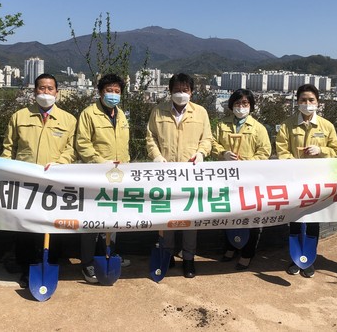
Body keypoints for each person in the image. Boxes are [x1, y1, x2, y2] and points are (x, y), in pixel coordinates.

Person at [1, 73, 77, 288]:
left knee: (54, 225)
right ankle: (26, 267)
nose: (46, 92)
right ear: (34, 91)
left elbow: (71, 149)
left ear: (57, 93)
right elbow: (9, 148)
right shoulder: (19, 117)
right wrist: (5, 171)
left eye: (50, 88)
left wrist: (59, 164)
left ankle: (51, 262)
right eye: (41, 88)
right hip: (25, 181)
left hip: (55, 181)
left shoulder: (68, 119)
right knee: (25, 226)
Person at [146, 73, 212, 278]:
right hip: (165, 174)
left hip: (191, 175)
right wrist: (156, 156)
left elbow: (207, 139)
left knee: (190, 218)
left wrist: (201, 153)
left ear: (191, 92)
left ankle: (189, 258)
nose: (181, 93)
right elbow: (150, 138)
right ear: (170, 91)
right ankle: (167, 255)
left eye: (185, 90)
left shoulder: (200, 113)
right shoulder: (158, 111)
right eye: (177, 89)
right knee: (167, 216)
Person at [275, 84, 337, 278]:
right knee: (295, 220)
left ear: (318, 103)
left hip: (318, 183)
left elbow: (336, 151)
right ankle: (295, 259)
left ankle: (309, 260)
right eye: (303, 100)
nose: (307, 103)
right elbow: (281, 151)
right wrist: (295, 165)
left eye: (311, 100)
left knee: (313, 221)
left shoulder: (326, 126)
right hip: (295, 182)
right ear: (297, 102)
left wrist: (321, 151)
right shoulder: (287, 125)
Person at [75, 73, 131, 284]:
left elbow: (124, 144)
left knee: (113, 218)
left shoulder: (122, 114)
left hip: (118, 176)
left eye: (117, 92)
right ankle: (87, 261)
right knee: (92, 220)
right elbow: (82, 144)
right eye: (109, 91)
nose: (113, 95)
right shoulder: (89, 114)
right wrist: (100, 162)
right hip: (96, 175)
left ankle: (110, 253)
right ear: (100, 92)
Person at [212, 89, 271, 270]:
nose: (241, 107)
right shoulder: (222, 125)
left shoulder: (258, 128)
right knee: (228, 214)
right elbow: (212, 143)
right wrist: (223, 153)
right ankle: (230, 246)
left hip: (249, 181)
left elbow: (265, 152)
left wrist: (247, 163)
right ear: (231, 105)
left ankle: (247, 252)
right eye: (238, 103)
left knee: (250, 217)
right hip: (227, 179)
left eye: (245, 104)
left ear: (251, 106)